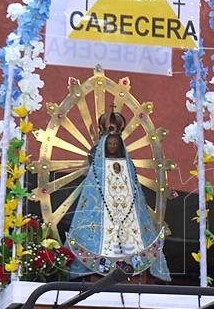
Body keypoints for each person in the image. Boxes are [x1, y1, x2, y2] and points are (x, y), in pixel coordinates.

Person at [65, 108, 170, 281]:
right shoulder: (98, 170)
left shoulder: (127, 169)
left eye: (115, 144)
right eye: (110, 144)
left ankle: (133, 263)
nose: (113, 146)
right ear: (104, 146)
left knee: (132, 232)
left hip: (128, 216)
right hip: (103, 213)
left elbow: (134, 193)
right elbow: (92, 196)